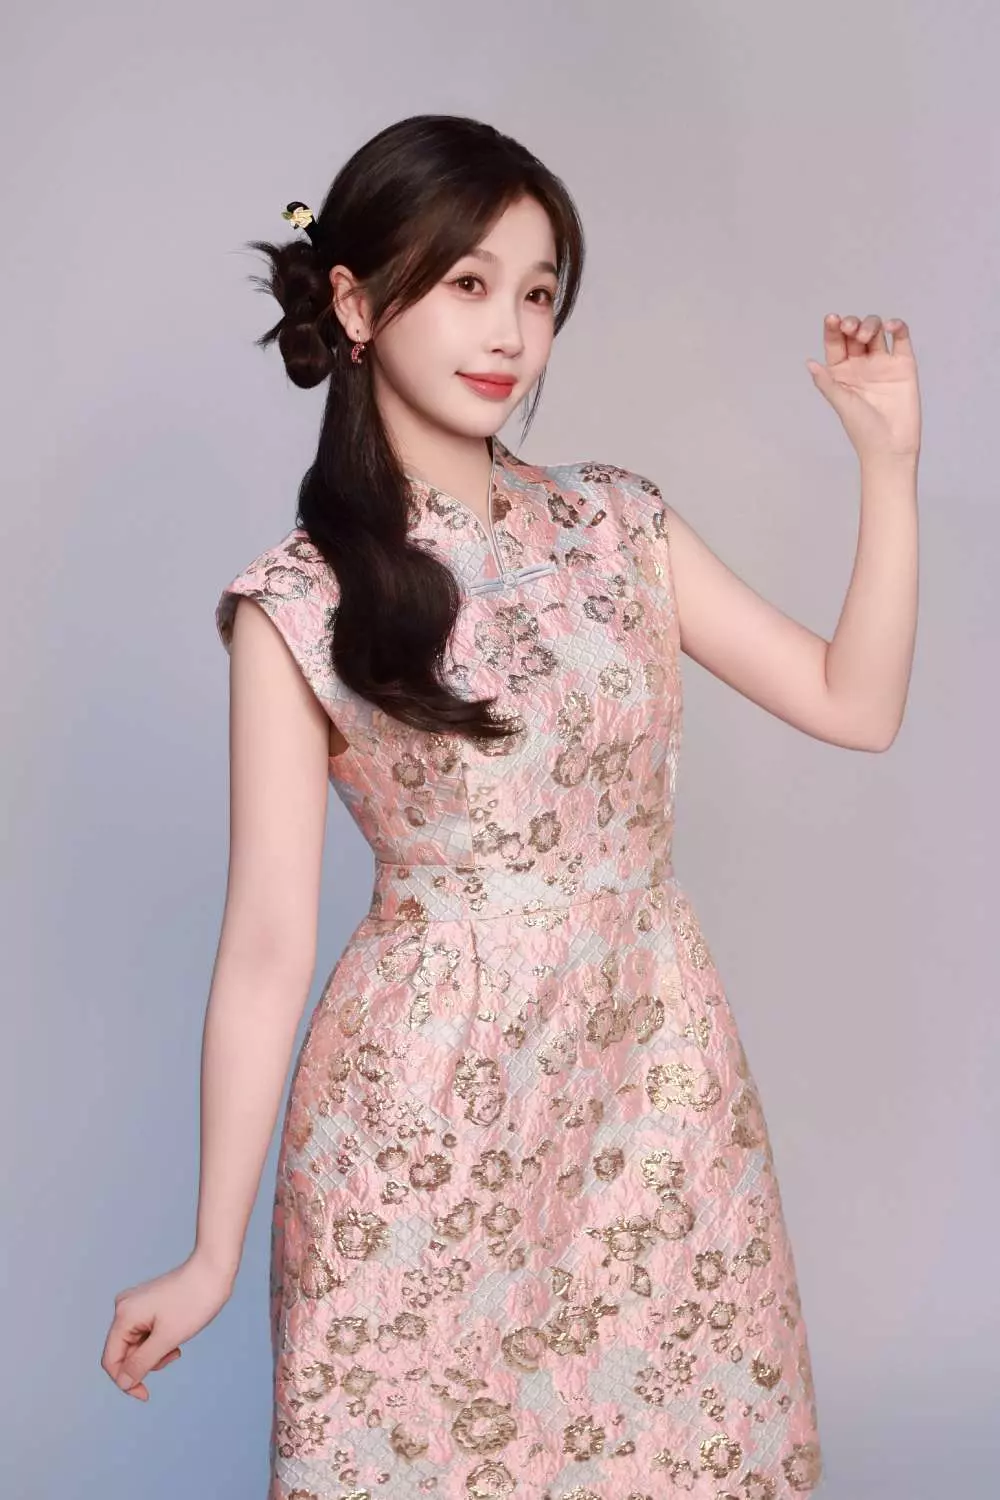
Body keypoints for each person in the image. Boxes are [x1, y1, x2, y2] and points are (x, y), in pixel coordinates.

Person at [100, 113, 921, 1499]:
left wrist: (887, 464)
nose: (510, 331)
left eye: (538, 293)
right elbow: (266, 948)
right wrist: (211, 1253)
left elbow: (858, 704)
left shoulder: (620, 525)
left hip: (654, 1089)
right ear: (357, 303)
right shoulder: (299, 602)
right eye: (468, 282)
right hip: (421, 1117)